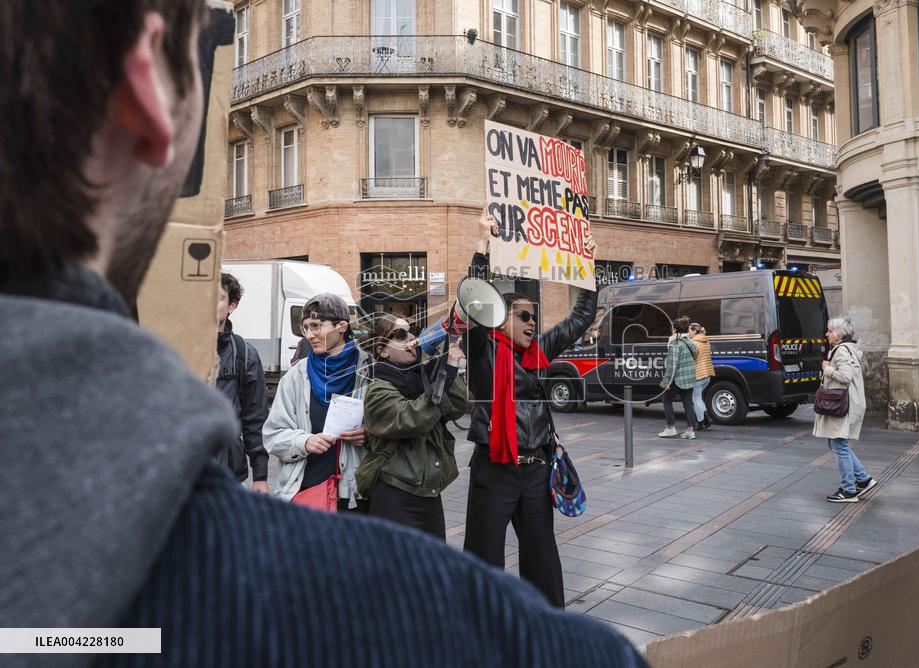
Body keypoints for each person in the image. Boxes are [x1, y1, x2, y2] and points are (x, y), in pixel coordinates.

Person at [0, 4, 645, 662]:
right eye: (214, 43)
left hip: (485, 479)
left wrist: (576, 269)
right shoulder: (378, 606)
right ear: (146, 88)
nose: (315, 331)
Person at [463, 208, 598, 608]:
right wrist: (483, 246)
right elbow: (473, 303)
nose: (532, 323)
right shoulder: (482, 352)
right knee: (484, 557)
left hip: (537, 469)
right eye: (524, 316)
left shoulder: (539, 353)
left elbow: (581, 317)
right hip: (495, 469)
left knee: (542, 557)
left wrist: (587, 263)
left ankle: (548, 623)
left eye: (534, 317)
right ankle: (483, 625)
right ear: (501, 319)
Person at [357, 315, 472, 538]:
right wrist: (444, 375)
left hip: (429, 492)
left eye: (413, 332)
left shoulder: (423, 377)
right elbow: (412, 419)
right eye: (401, 335)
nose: (411, 338)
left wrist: (439, 367)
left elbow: (462, 405)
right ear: (382, 351)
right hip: (395, 495)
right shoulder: (378, 388)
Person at [264, 294, 370, 510]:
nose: (309, 335)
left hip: (355, 495)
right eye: (305, 328)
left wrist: (370, 435)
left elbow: (391, 426)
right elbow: (272, 435)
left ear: (342, 326)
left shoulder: (369, 370)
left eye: (316, 326)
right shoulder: (295, 377)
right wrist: (304, 442)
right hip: (307, 491)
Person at [215, 272, 269, 493]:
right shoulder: (176, 349)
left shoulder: (244, 354)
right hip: (183, 472)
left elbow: (255, 419)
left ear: (232, 305)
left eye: (219, 297)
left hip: (229, 473)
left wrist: (260, 476)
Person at [815, 317, 878, 503]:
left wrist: (827, 369)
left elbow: (845, 376)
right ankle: (863, 479)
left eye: (830, 331)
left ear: (840, 333)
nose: (827, 334)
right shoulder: (846, 348)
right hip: (845, 403)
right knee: (835, 444)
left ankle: (849, 489)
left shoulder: (842, 350)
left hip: (842, 405)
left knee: (839, 445)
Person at [658, 316, 698, 439]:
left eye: (672, 327)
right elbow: (695, 356)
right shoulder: (690, 342)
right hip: (689, 378)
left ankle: (670, 428)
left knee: (666, 400)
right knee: (688, 403)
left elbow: (672, 364)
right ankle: (690, 431)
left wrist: (667, 381)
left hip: (678, 379)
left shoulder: (675, 343)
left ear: (675, 329)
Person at [688, 321, 715, 431]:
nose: (688, 333)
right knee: (698, 398)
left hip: (698, 374)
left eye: (689, 331)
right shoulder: (705, 340)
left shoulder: (694, 343)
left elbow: (691, 359)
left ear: (695, 331)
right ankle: (706, 418)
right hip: (707, 374)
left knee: (695, 398)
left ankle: (701, 422)